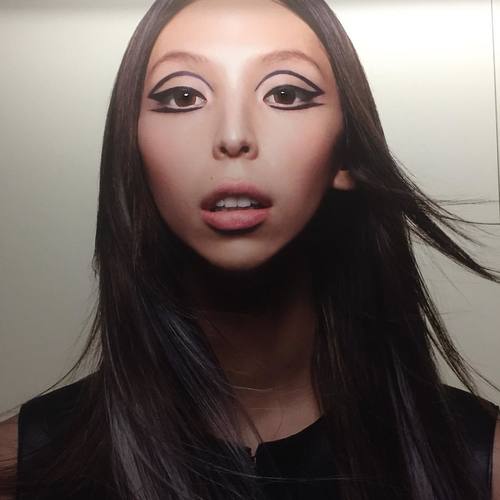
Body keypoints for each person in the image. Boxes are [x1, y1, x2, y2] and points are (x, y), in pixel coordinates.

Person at [1, 0, 499, 498]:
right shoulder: (22, 467)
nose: (234, 137)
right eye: (182, 97)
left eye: (285, 94)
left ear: (345, 153)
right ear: (133, 151)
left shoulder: (483, 463)